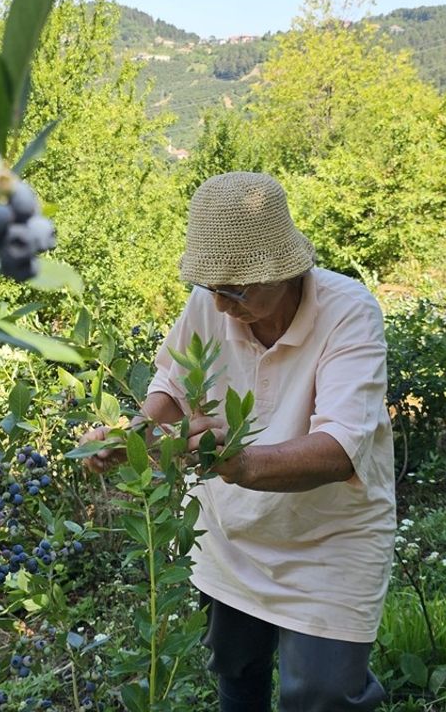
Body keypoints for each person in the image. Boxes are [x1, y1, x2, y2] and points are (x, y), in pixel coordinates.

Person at [82, 171, 395, 712]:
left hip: (331, 536)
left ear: (287, 270)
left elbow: (341, 447)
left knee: (321, 695)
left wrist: (238, 462)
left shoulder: (348, 312)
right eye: (212, 290)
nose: (222, 307)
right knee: (237, 670)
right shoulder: (211, 303)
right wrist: (131, 435)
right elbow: (174, 389)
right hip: (230, 529)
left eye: (237, 291)